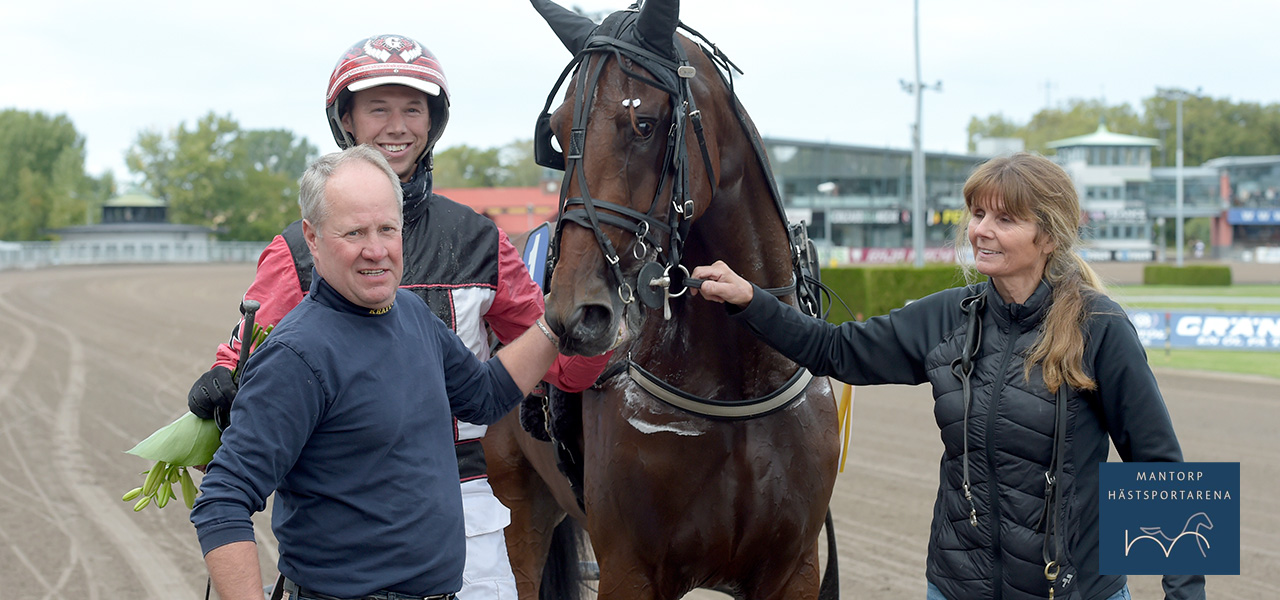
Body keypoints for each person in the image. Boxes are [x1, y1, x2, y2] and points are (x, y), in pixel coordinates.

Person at [185, 34, 609, 599]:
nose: (397, 126)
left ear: (433, 122)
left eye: (412, 109)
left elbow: (531, 378)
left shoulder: (477, 244)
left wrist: (580, 331)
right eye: (378, 108)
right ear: (347, 120)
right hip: (350, 524)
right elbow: (247, 379)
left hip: (468, 511)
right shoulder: (293, 257)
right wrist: (221, 382)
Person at [689, 153, 1206, 600]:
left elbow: (1162, 467)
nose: (981, 230)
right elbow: (835, 350)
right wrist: (750, 299)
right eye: (978, 213)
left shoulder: (1102, 326)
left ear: (1048, 234)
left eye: (1004, 219)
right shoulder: (945, 317)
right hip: (957, 585)